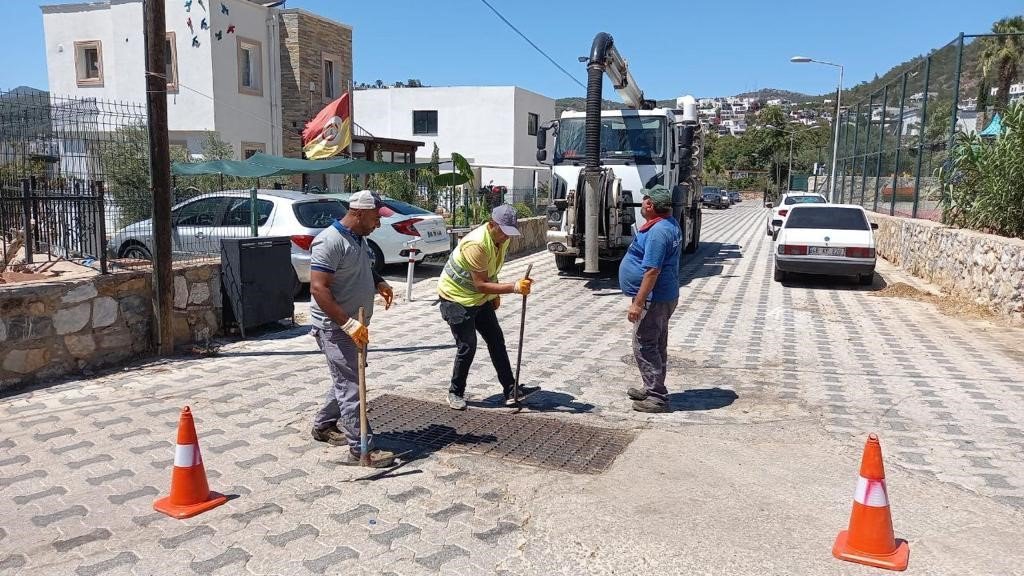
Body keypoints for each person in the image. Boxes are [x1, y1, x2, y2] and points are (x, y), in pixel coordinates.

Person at [308, 189, 396, 467]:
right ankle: (361, 448)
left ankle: (323, 425)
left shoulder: (358, 238)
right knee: (352, 386)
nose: (378, 223)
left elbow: (362, 267)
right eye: (375, 217)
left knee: (346, 379)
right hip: (336, 328)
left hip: (356, 325)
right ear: (357, 213)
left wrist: (379, 282)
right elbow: (318, 288)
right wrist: (346, 323)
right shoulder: (329, 242)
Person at [437, 204, 539, 410]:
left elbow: (491, 271)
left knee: (496, 340)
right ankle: (455, 392)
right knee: (467, 346)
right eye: (503, 231)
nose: (506, 236)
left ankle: (511, 389)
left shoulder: (501, 240)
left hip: (478, 298)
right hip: (455, 298)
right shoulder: (476, 244)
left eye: (509, 232)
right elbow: (480, 283)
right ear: (491, 224)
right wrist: (514, 287)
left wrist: (493, 295)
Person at [618, 185, 682, 413]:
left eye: (645, 199)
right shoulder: (668, 224)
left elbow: (652, 271)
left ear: (650, 205)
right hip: (664, 295)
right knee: (656, 343)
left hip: (654, 299)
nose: (642, 202)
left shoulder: (658, 233)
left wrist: (637, 303)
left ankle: (656, 396)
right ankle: (652, 385)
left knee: (644, 345)